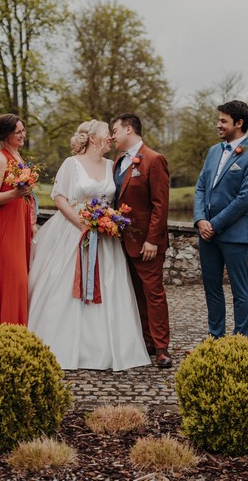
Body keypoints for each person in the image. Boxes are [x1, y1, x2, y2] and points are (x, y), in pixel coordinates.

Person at [28, 120, 151, 370]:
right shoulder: (71, 164)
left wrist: (109, 222)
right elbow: (60, 199)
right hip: (74, 231)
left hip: (105, 237)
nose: (111, 138)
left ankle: (110, 349)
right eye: (107, 134)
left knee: (109, 286)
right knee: (63, 287)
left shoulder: (112, 165)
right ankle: (62, 345)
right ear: (93, 139)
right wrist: (82, 225)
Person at [193, 100, 248, 338]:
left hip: (235, 234)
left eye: (223, 121)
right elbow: (201, 187)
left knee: (239, 291)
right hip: (207, 234)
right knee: (212, 288)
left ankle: (240, 342)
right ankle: (216, 338)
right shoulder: (214, 151)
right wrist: (201, 219)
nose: (218, 125)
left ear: (239, 123)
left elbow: (245, 200)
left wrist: (215, 224)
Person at [111, 113, 173, 368]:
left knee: (153, 293)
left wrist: (152, 240)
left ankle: (161, 347)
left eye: (114, 130)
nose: (112, 136)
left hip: (147, 243)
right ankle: (145, 341)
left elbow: (161, 204)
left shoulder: (153, 159)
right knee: (135, 295)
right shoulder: (117, 162)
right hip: (121, 242)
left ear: (128, 129)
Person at [0, 114, 35, 325]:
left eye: (23, 130)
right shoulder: (0, 158)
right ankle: (6, 326)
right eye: (18, 132)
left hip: (19, 221)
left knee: (22, 276)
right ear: (6, 135)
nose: (23, 135)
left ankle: (18, 327)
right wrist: (15, 195)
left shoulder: (17, 155)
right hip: (5, 223)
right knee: (13, 278)